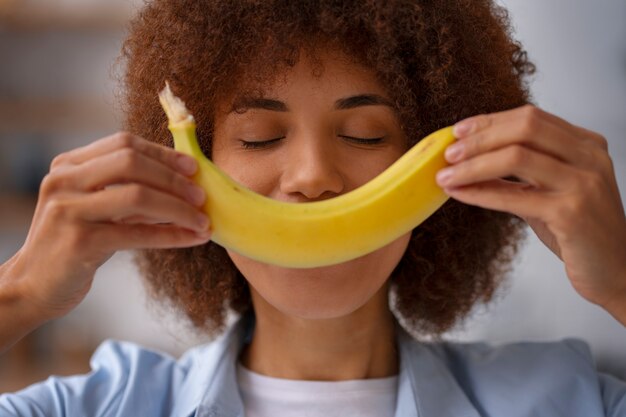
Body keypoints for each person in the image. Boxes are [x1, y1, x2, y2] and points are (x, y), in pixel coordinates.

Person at [0, 0, 625, 416]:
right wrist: (20, 296)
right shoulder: (99, 407)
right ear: (193, 163)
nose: (312, 178)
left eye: (364, 134)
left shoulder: (564, 400)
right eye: (260, 137)